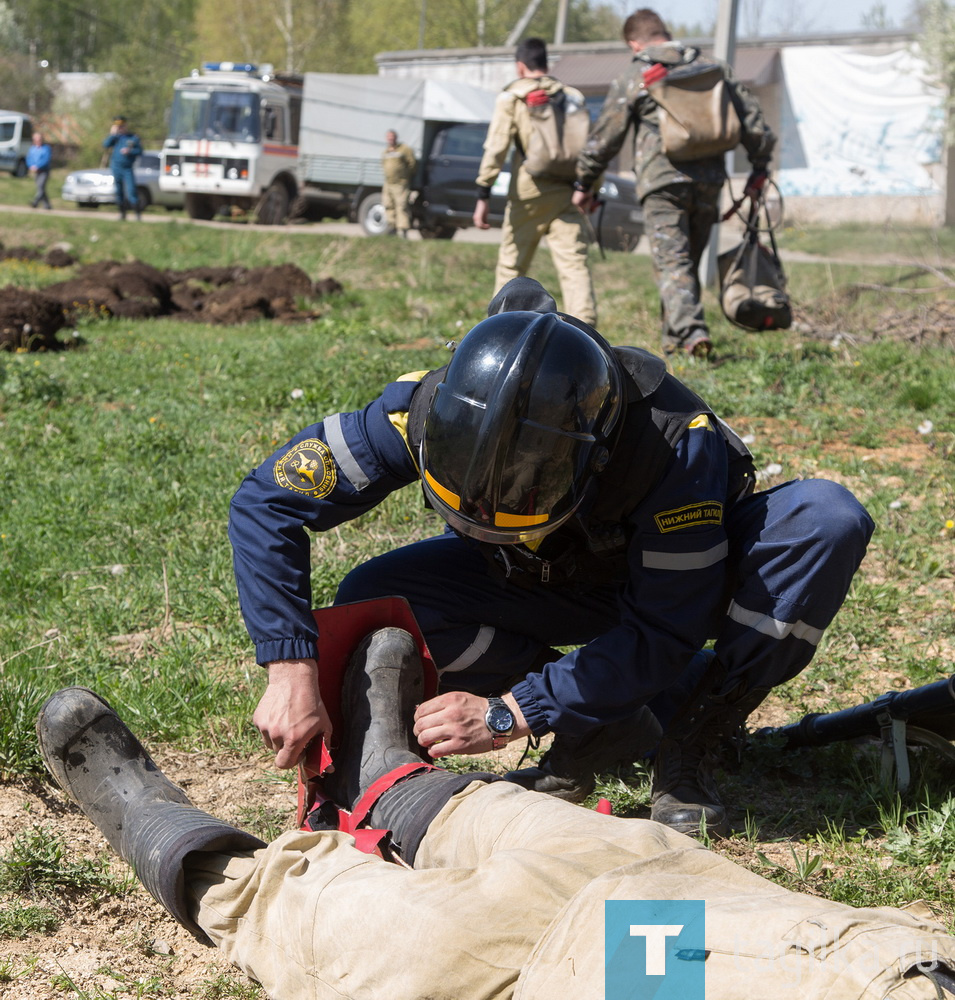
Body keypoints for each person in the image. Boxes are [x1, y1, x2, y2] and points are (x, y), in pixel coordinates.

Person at [229, 275, 874, 838]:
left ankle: (693, 734)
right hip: (542, 583)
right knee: (377, 600)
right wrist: (290, 668)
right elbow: (267, 501)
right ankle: (609, 722)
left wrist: (511, 714)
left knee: (823, 521)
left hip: (667, 581)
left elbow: (665, 626)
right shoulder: (415, 411)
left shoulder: (674, 449)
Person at [35, 643, 955, 1000]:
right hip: (771, 941)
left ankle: (200, 864)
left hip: (576, 984)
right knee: (613, 849)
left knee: (411, 943)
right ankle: (395, 788)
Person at [574, 8, 776, 359]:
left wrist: (583, 181)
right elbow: (754, 123)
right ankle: (675, 341)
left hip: (662, 181)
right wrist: (759, 169)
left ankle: (691, 332)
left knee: (673, 263)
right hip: (709, 181)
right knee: (687, 262)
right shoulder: (712, 67)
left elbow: (606, 135)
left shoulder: (638, 73)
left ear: (634, 42)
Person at [472, 37, 597, 326]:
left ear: (520, 66)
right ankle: (587, 333)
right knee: (574, 266)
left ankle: (500, 328)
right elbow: (591, 148)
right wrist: (590, 188)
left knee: (512, 265)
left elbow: (497, 146)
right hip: (566, 193)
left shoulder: (512, 98)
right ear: (545, 64)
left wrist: (483, 192)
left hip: (528, 194)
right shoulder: (572, 96)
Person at [102, 116, 143, 221]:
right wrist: (112, 134)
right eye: (118, 126)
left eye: (122, 126)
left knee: (131, 191)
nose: (120, 128)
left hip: (127, 168)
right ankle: (122, 214)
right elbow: (105, 144)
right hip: (116, 168)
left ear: (125, 126)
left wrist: (130, 151)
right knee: (119, 191)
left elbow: (140, 151)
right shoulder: (115, 138)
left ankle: (137, 215)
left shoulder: (133, 137)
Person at [381, 129, 417, 238]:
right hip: (388, 183)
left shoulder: (404, 149)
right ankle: (391, 227)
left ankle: (403, 230)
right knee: (388, 205)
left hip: (400, 183)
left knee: (401, 206)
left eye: (392, 137)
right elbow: (383, 164)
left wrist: (405, 176)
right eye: (388, 137)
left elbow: (412, 164)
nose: (390, 139)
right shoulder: (386, 151)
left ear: (396, 137)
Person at [27, 131, 52, 210]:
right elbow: (29, 158)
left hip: (44, 171)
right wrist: (31, 166)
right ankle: (47, 205)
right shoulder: (32, 148)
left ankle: (35, 202)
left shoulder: (46, 148)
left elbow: (46, 159)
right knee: (40, 188)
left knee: (41, 186)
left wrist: (38, 166)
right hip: (36, 171)